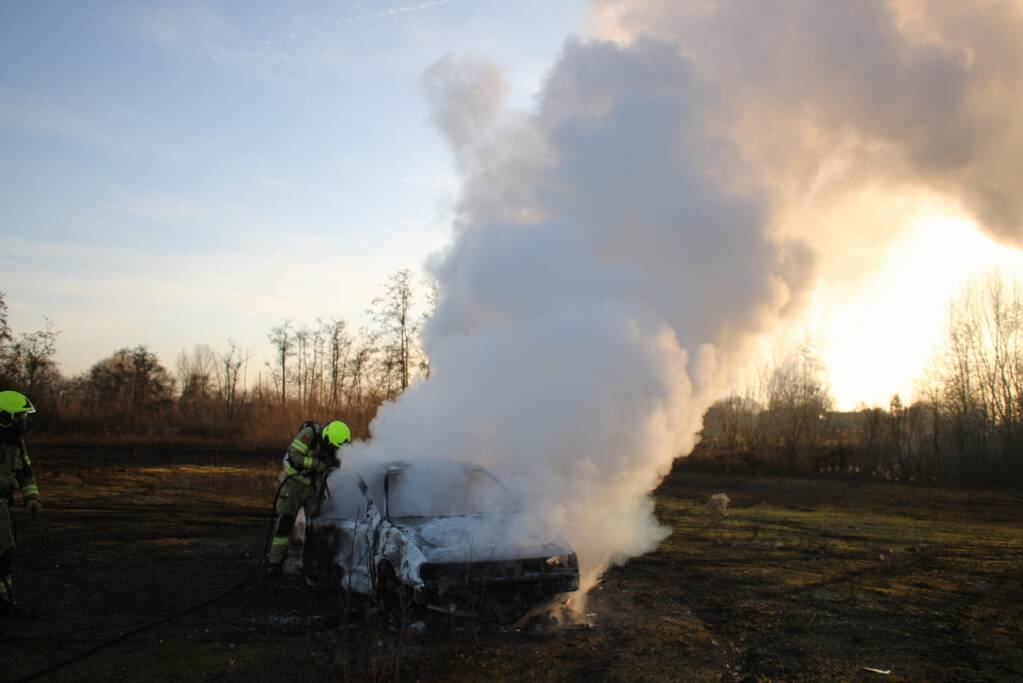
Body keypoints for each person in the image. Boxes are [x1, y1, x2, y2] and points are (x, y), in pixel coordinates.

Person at [266, 419, 351, 577]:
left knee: (316, 526)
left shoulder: (336, 445)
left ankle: (313, 567)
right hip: (293, 485)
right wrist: (317, 465)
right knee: (285, 522)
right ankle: (275, 563)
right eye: (331, 446)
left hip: (314, 489)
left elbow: (334, 467)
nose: (332, 450)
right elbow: (294, 456)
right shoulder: (309, 434)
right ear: (325, 438)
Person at [0, 390, 42, 616]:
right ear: (4, 418)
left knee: (5, 553)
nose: (23, 422)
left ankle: (3, 600)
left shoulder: (16, 444)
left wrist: (32, 497)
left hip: (2, 508)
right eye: (19, 417)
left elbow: (26, 473)